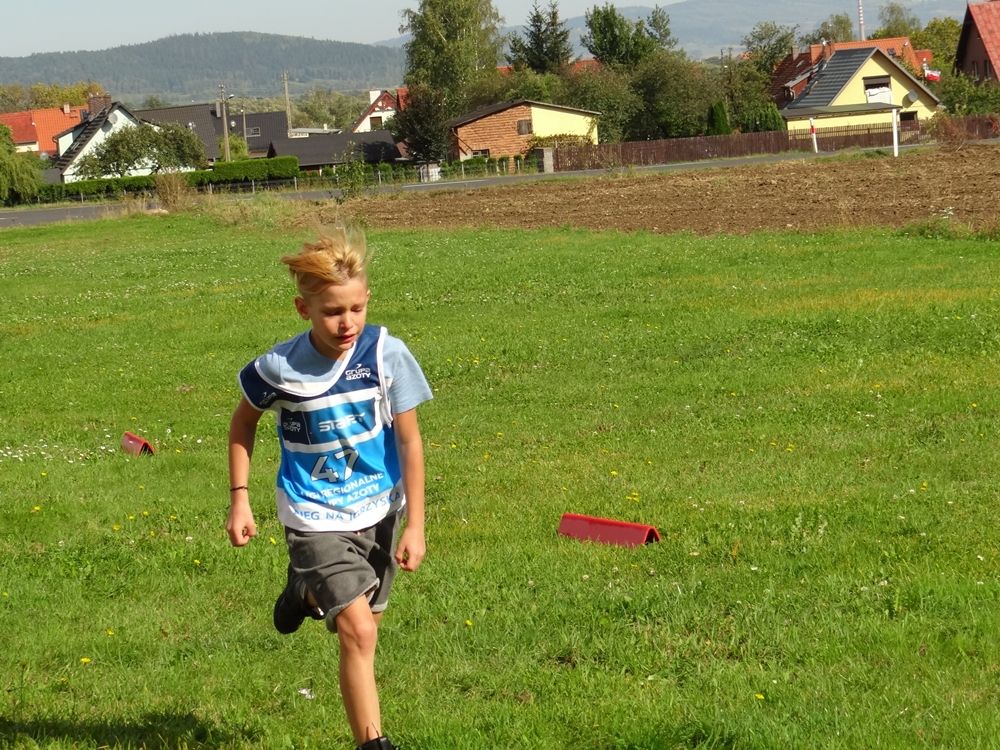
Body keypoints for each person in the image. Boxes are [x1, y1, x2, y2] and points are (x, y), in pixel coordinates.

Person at [226, 228, 432, 750]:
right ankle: (374, 745)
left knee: (367, 632)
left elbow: (409, 441)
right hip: (312, 514)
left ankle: (305, 590)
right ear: (304, 309)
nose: (347, 323)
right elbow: (243, 424)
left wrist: (416, 525)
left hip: (379, 510)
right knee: (358, 630)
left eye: (357, 308)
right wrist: (240, 499)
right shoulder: (278, 368)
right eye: (333, 312)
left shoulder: (386, 355)